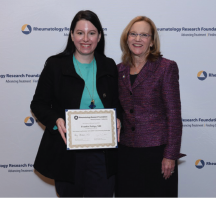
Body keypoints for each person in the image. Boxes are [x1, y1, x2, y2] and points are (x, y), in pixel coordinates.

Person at [30, 10, 121, 197]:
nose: (85, 38)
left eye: (92, 33)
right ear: (72, 35)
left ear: (100, 36)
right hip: (67, 156)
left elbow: (118, 103)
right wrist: (56, 120)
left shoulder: (109, 65)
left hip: (102, 155)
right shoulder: (55, 66)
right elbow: (38, 104)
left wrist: (118, 119)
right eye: (80, 33)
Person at [116, 16, 185, 197]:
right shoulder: (118, 70)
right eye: (133, 34)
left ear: (152, 42)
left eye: (144, 35)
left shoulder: (166, 68)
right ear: (127, 38)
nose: (138, 39)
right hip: (126, 153)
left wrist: (170, 155)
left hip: (157, 153)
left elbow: (174, 114)